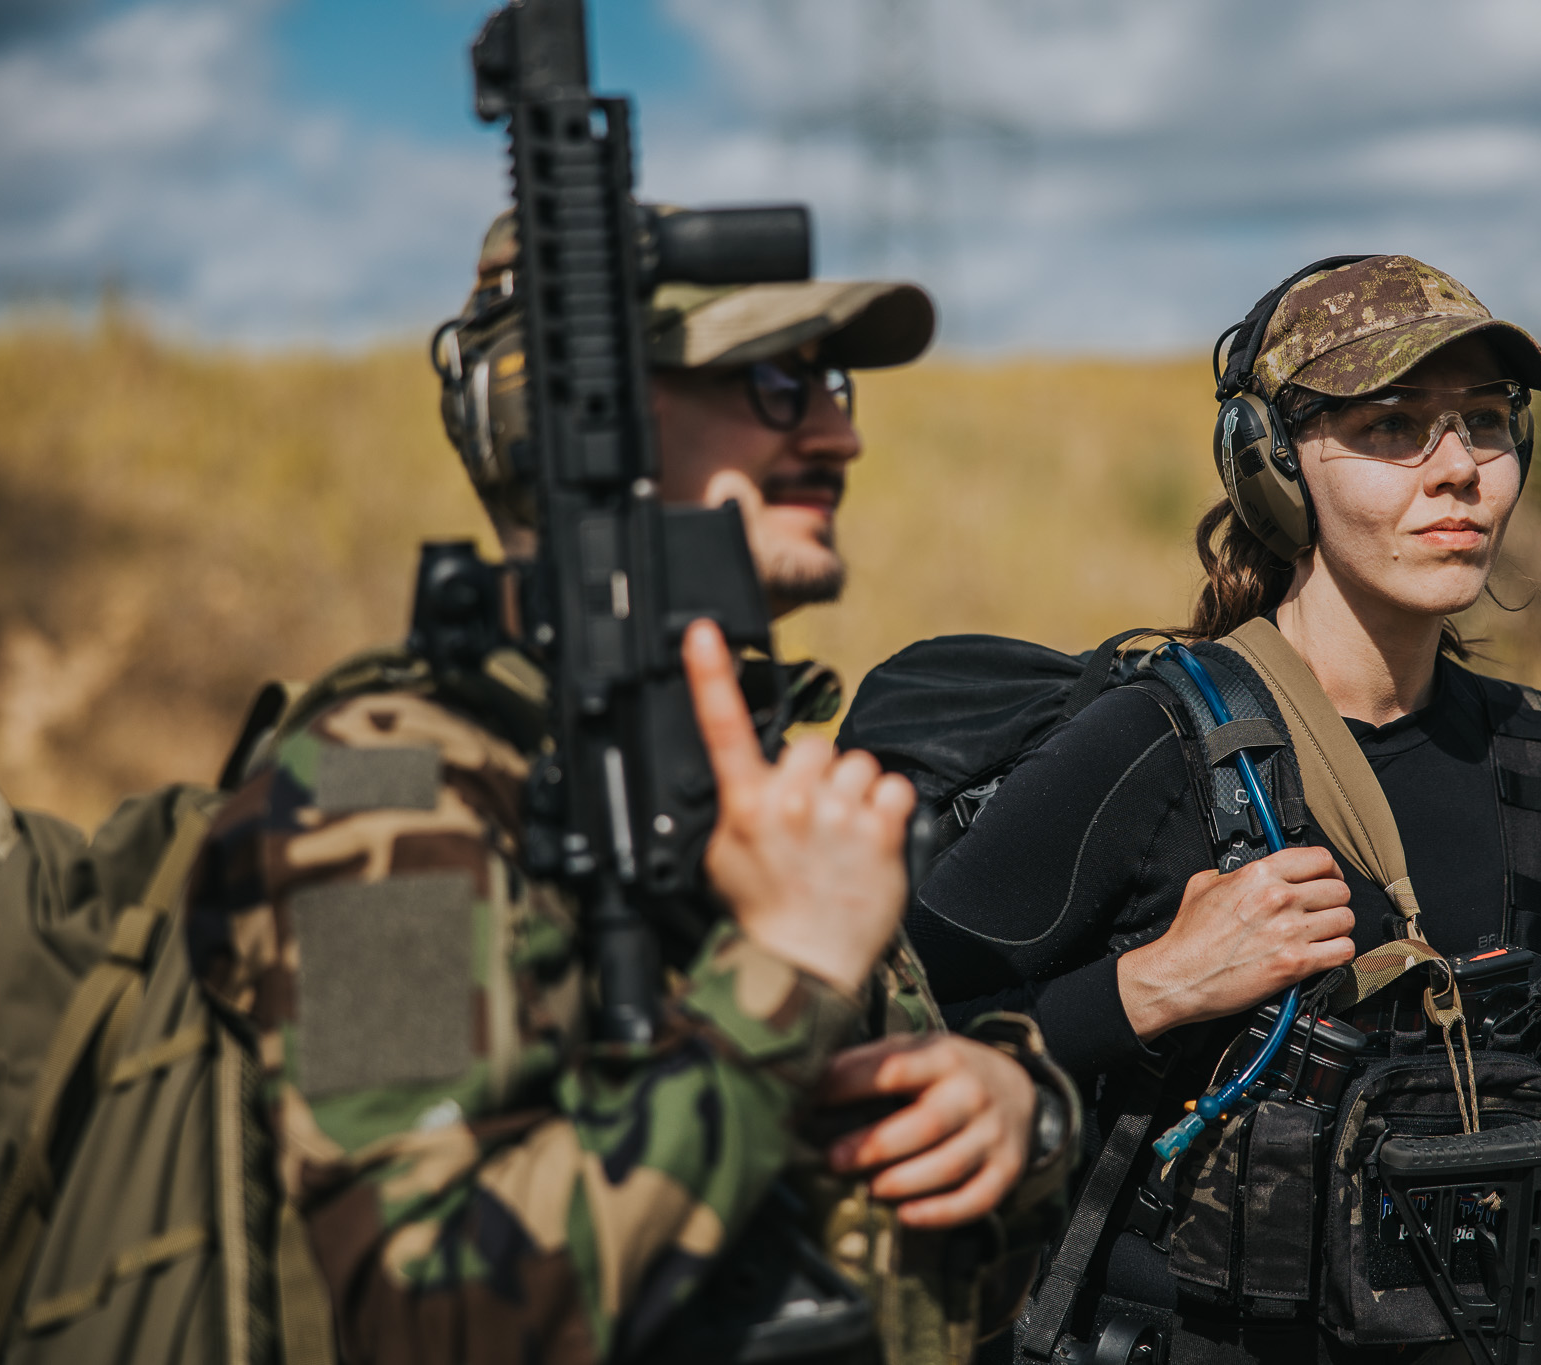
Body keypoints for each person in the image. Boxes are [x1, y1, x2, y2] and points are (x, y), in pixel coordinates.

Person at [175, 218, 1079, 1365]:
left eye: (832, 383)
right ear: (566, 421)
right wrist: (785, 974)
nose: (840, 434)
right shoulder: (368, 797)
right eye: (772, 383)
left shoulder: (737, 760)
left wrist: (1014, 1109)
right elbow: (430, 1312)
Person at [902, 255, 1541, 1363]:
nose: (1459, 471)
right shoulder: (1150, 749)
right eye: (1391, 426)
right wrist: (1147, 989)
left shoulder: (1537, 761)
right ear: (1269, 466)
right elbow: (898, 1052)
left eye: (1485, 422)